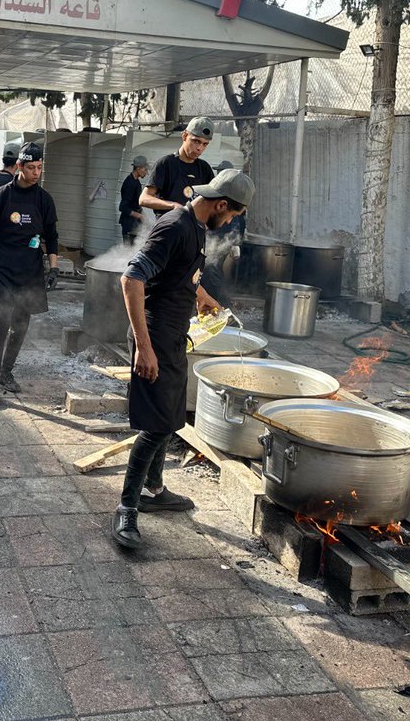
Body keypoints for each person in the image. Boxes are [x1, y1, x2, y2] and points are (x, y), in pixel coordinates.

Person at [112, 169, 255, 549]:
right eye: (233, 214)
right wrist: (145, 348)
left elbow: (183, 273)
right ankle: (127, 507)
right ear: (221, 204)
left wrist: (202, 296)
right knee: (156, 427)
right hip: (154, 337)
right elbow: (131, 279)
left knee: (171, 418)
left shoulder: (196, 227)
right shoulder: (175, 226)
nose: (232, 222)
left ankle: (155, 490)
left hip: (175, 336)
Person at [0, 142, 59, 406]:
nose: (36, 173)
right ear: (19, 166)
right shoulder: (2, 196)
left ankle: (6, 372)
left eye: (39, 167)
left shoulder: (44, 200)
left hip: (29, 272)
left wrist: (54, 268)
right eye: (31, 167)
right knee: (0, 324)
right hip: (1, 267)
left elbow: (52, 237)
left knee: (21, 326)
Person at [139, 118, 215, 216]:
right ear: (184, 136)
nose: (199, 148)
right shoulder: (166, 164)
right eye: (196, 141)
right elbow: (144, 199)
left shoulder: (204, 169)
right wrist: (173, 205)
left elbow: (213, 201)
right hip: (168, 223)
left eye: (205, 144)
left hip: (193, 224)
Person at [201, 160, 247, 308]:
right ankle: (213, 301)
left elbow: (236, 220)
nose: (217, 174)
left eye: (220, 172)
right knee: (212, 270)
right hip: (216, 238)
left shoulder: (231, 194)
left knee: (211, 270)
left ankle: (222, 304)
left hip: (223, 240)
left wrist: (235, 244)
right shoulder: (222, 191)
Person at [118, 155, 148, 244]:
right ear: (138, 169)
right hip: (129, 226)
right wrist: (139, 216)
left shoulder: (136, 182)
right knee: (129, 251)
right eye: (145, 169)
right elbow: (123, 207)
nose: (146, 172)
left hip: (134, 225)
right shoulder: (130, 184)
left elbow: (135, 203)